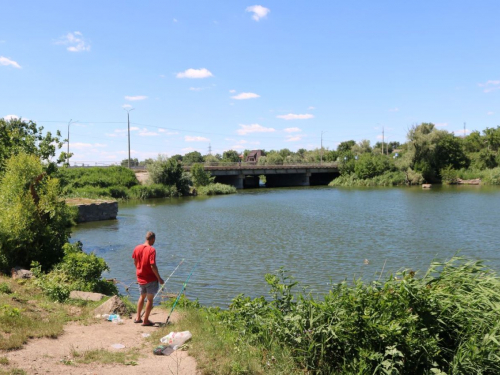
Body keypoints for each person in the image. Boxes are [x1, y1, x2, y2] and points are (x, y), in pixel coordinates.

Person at [132, 231, 164, 326]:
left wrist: (139, 270)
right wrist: (159, 278)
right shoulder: (151, 250)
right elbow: (152, 265)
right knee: (150, 299)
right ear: (153, 239)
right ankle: (145, 320)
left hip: (140, 277)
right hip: (150, 278)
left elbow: (135, 261)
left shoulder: (137, 248)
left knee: (142, 296)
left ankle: (138, 317)